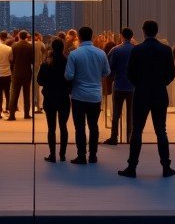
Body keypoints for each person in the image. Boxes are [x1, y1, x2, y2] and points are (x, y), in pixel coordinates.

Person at [119, 20, 175, 179]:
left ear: (143, 31)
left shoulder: (137, 50)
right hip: (159, 93)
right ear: (156, 31)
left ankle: (131, 167)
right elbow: (172, 73)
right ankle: (166, 167)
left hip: (141, 94)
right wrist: (161, 83)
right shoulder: (165, 50)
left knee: (137, 130)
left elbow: (129, 72)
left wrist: (140, 84)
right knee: (161, 131)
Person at [64, 25, 110, 165]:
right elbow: (106, 72)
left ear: (79, 36)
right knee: (93, 126)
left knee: (80, 127)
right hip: (95, 95)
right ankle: (93, 155)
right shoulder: (101, 53)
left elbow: (68, 75)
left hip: (79, 96)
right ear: (92, 36)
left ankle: (81, 156)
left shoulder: (74, 54)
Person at [37, 38, 71, 162]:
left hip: (50, 97)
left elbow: (39, 81)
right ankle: (62, 154)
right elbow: (71, 79)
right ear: (63, 48)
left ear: (52, 48)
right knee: (63, 126)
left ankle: (52, 155)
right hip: (63, 97)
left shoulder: (46, 63)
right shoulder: (68, 62)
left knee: (51, 128)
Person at [103, 27, 134, 144]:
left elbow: (109, 67)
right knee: (131, 113)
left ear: (122, 36)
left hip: (119, 84)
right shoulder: (136, 49)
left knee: (116, 113)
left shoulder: (116, 50)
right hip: (132, 86)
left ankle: (114, 137)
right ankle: (130, 137)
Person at [8, 31, 34, 120]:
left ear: (19, 36)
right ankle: (26, 114)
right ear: (26, 37)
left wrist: (12, 70)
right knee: (27, 94)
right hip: (27, 73)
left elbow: (11, 60)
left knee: (14, 94)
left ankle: (12, 115)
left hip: (16, 72)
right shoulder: (31, 46)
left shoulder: (14, 46)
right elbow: (32, 61)